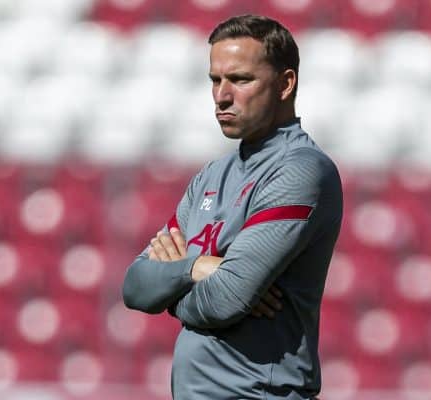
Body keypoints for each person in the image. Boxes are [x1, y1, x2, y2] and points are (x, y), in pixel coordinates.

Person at [122, 14, 343, 400]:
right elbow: (135, 286)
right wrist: (196, 268)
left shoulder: (301, 170)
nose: (222, 95)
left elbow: (225, 300)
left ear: (285, 84)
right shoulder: (212, 174)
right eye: (215, 80)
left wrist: (174, 284)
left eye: (240, 80)